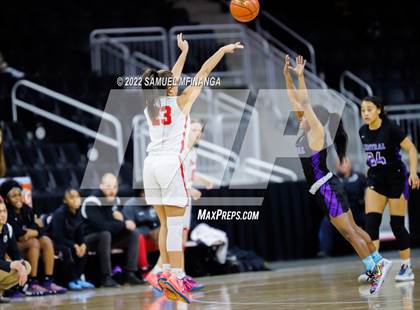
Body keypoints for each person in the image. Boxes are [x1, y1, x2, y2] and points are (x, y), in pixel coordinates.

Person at [141, 32, 243, 303]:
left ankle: (164, 272)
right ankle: (175, 276)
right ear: (171, 87)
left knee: (164, 224)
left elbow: (169, 78)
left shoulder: (150, 104)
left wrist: (183, 53)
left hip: (150, 166)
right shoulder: (181, 102)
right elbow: (204, 71)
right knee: (175, 227)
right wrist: (221, 51)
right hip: (170, 164)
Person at [283, 54, 390, 295]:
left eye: (305, 115)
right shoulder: (305, 130)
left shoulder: (316, 132)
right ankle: (379, 261)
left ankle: (375, 270)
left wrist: (300, 77)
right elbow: (294, 101)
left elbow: (305, 103)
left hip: (326, 188)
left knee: (350, 233)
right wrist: (286, 77)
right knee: (351, 229)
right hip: (325, 188)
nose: (299, 115)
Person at [358, 96, 420, 283]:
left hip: (396, 180)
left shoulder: (390, 128)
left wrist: (414, 173)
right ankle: (375, 269)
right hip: (376, 180)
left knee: (397, 225)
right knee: (371, 226)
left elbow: (411, 149)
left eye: (369, 109)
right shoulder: (363, 131)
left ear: (378, 110)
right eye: (363, 110)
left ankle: (406, 267)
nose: (366, 113)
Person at [0, 179, 66, 296]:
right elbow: (19, 235)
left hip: (16, 249)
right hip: (10, 250)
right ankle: (31, 283)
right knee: (34, 243)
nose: (18, 198)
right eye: (13, 196)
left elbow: (41, 229)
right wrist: (31, 232)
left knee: (45, 241)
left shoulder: (26, 210)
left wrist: (31, 233)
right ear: (6, 198)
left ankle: (48, 280)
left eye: (19, 194)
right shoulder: (7, 212)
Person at [82, 173, 142, 287]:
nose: (112, 190)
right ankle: (106, 276)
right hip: (88, 240)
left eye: (115, 187)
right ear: (101, 186)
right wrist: (122, 223)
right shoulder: (91, 201)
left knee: (133, 233)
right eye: (109, 186)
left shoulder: (115, 201)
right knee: (105, 234)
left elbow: (118, 222)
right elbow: (101, 226)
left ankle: (130, 273)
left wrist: (122, 221)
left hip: (107, 239)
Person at [318, 157, 367, 256]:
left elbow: (368, 192)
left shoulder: (360, 177)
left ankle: (368, 248)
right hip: (340, 211)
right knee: (326, 222)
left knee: (369, 219)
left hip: (357, 210)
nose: (342, 164)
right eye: (339, 163)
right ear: (336, 166)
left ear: (350, 164)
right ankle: (325, 250)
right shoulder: (333, 179)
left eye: (344, 162)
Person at [51, 188, 94, 290]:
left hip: (70, 242)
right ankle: (70, 280)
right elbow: (58, 236)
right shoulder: (59, 213)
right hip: (56, 242)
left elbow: (80, 234)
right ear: (65, 201)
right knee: (67, 250)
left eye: (77, 197)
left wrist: (82, 243)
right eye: (71, 197)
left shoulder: (78, 213)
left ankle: (78, 278)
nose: (75, 200)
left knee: (85, 248)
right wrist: (74, 245)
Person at [0, 197, 31, 303]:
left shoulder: (7, 228)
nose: (3, 215)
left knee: (26, 266)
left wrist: (20, 264)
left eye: (4, 211)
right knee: (13, 266)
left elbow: (16, 254)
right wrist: (11, 265)